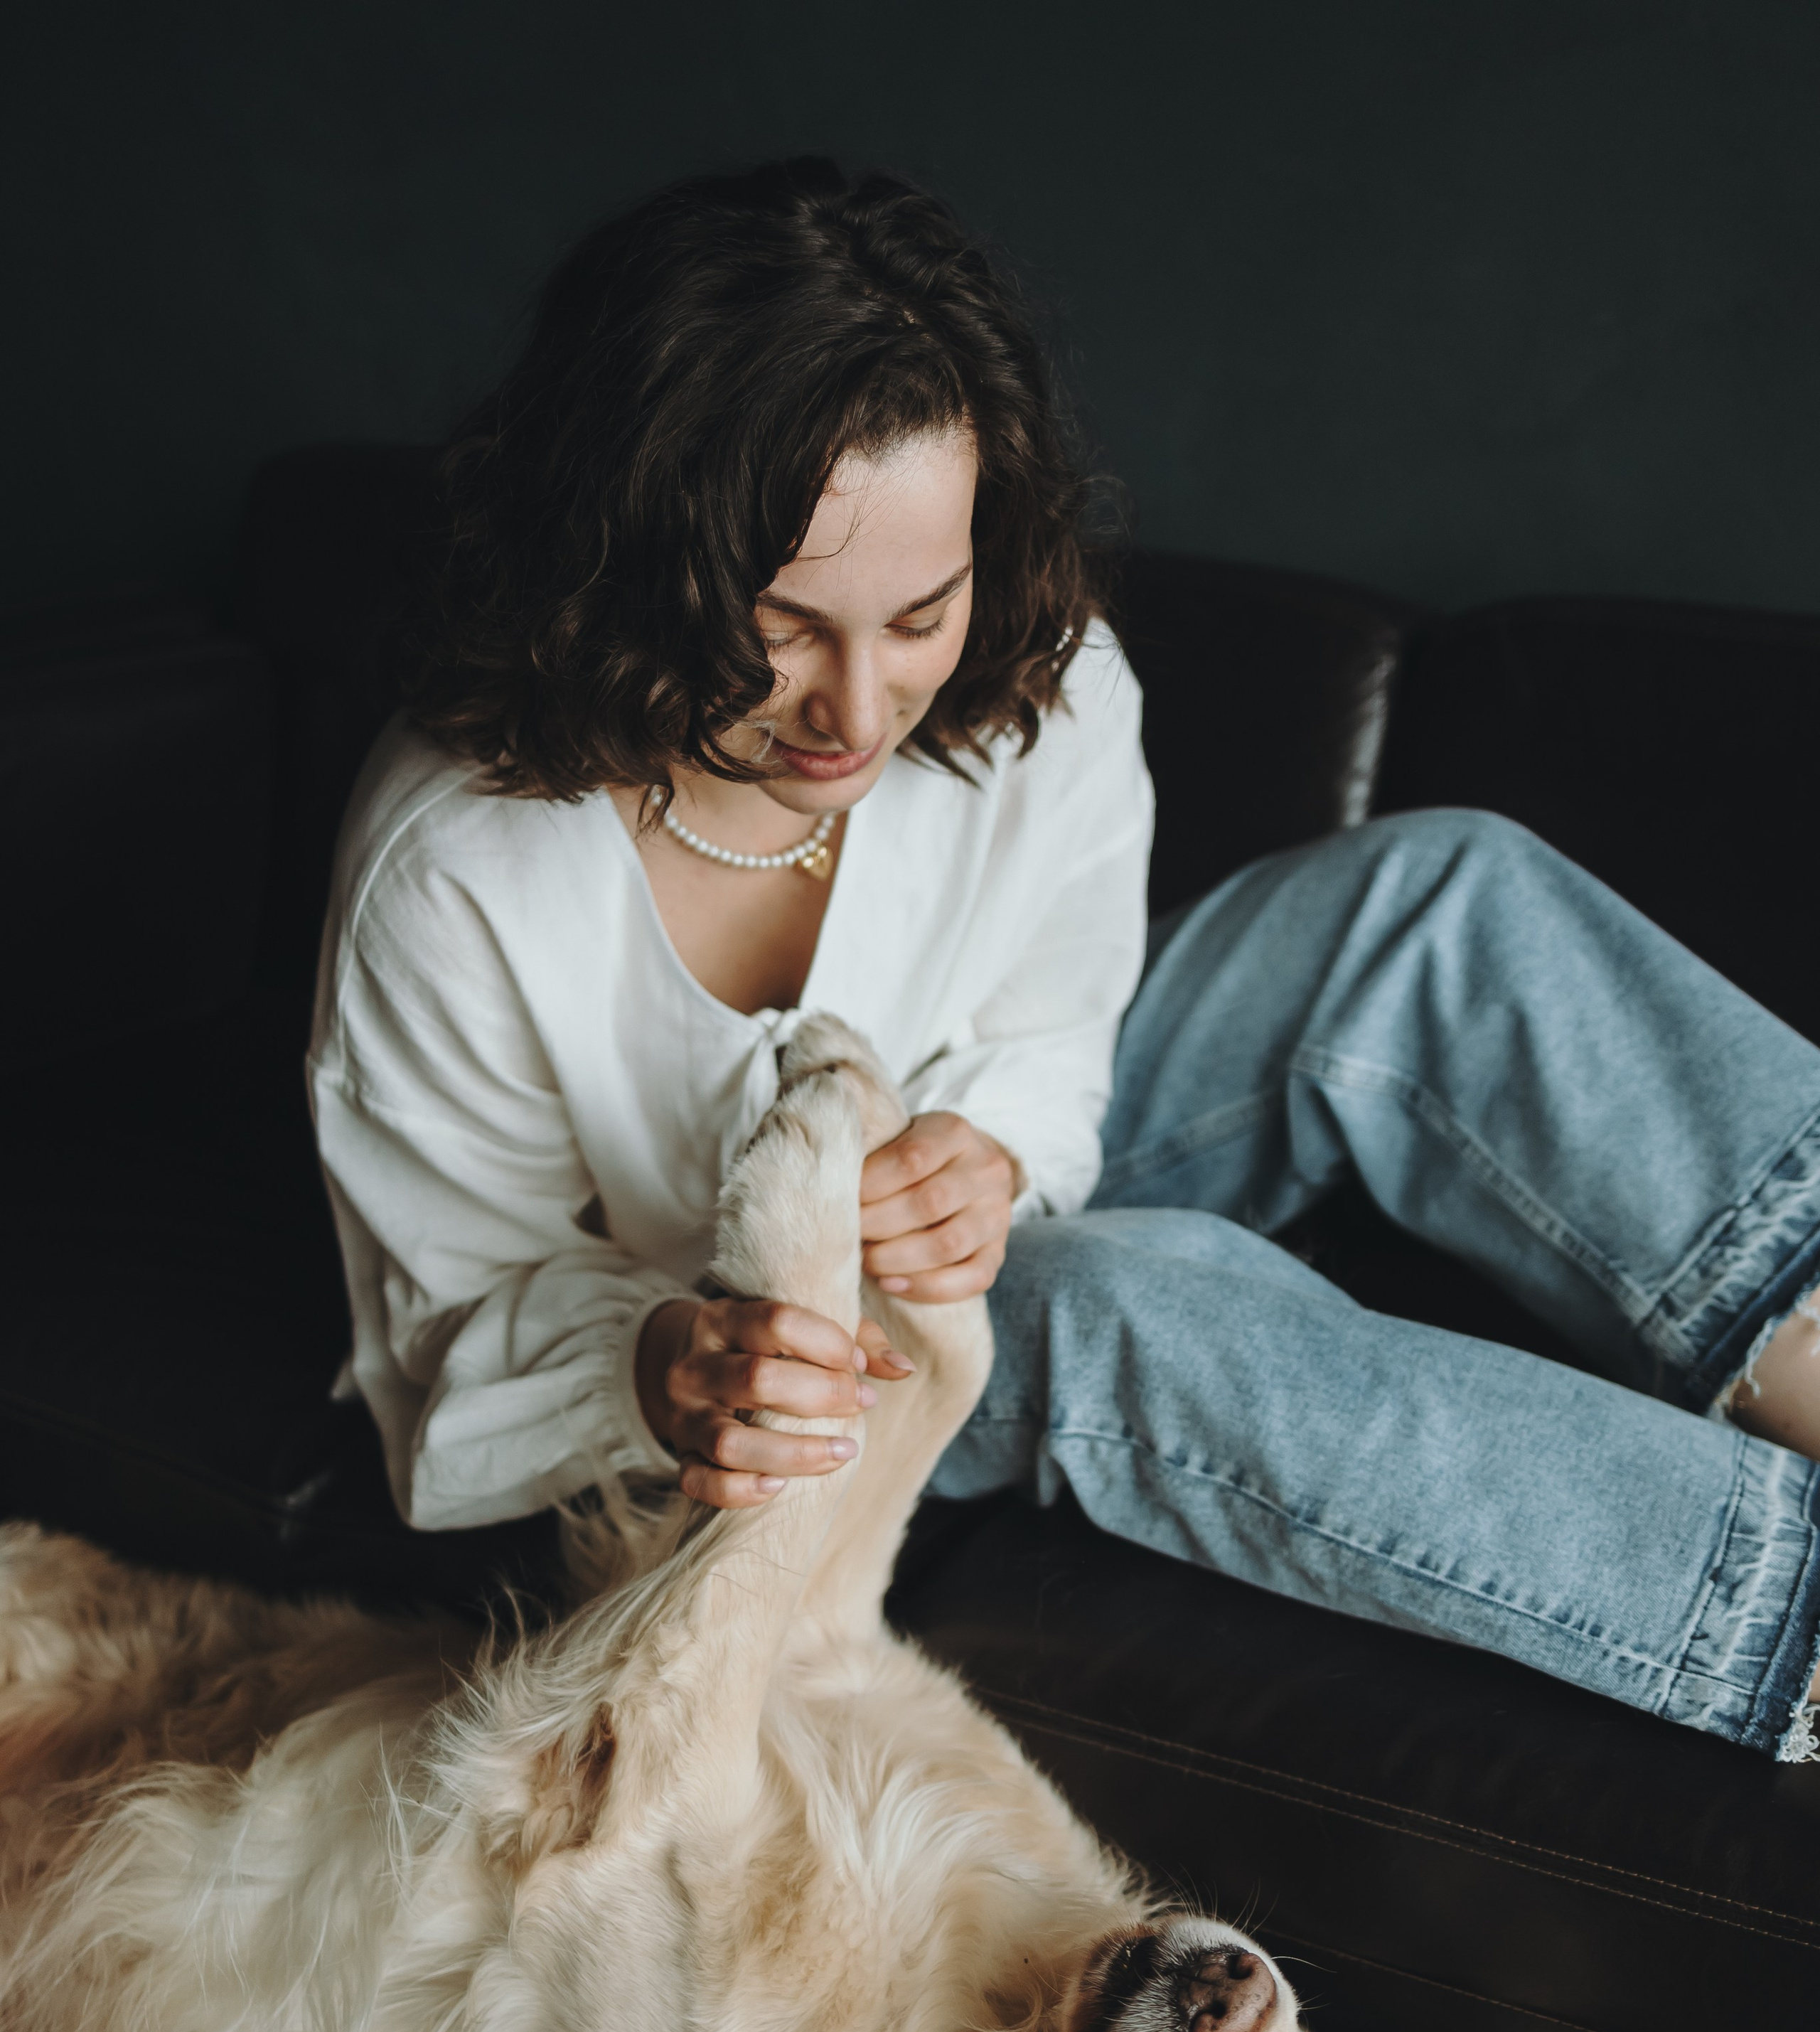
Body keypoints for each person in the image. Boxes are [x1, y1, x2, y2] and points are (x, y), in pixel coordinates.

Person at [310, 157, 1820, 1760]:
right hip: (762, 1371)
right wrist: (660, 1364)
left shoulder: (1047, 680)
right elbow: (444, 1339)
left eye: (919, 614)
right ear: (624, 566)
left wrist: (1000, 1154)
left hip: (971, 1196)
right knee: (1103, 1296)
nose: (858, 711)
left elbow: (1054, 1029)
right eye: (778, 627)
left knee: (1435, 896)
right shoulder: (454, 860)